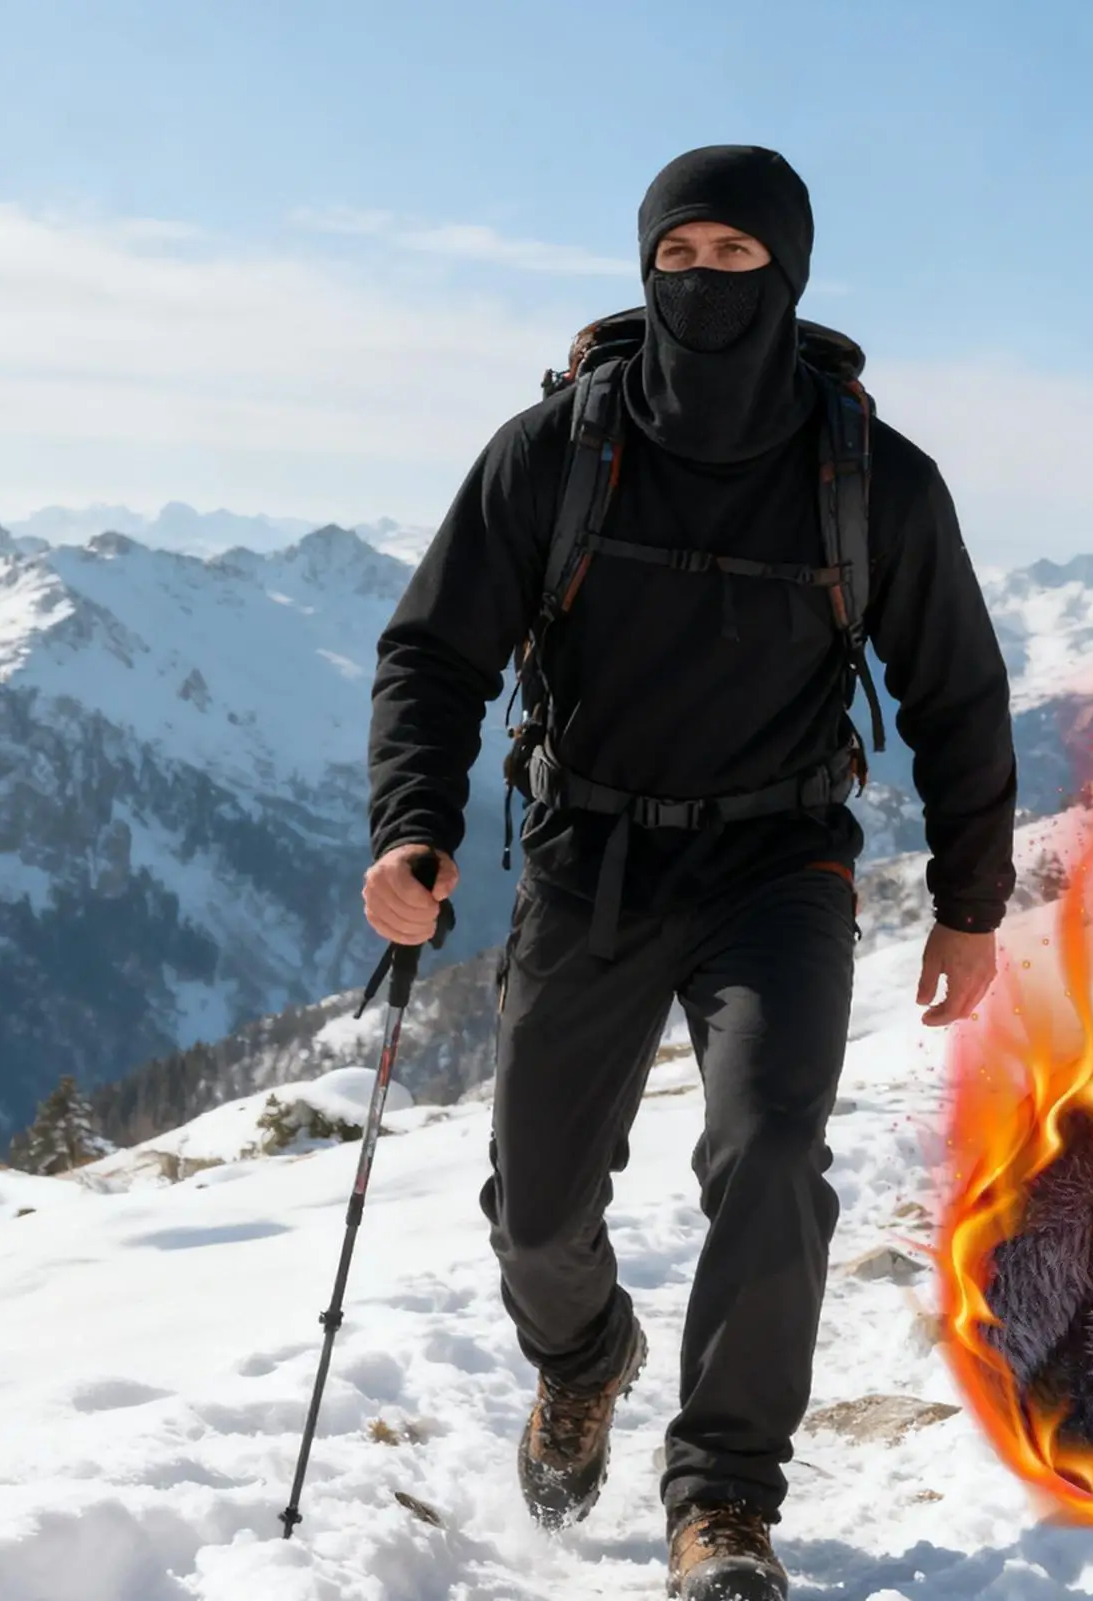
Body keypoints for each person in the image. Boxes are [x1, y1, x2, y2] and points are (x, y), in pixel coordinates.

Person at [364, 145, 1016, 1601]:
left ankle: (723, 1501)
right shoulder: (557, 453)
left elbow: (959, 693)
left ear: (788, 273)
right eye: (682, 254)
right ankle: (583, 1354)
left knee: (772, 1153)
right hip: (586, 857)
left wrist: (971, 905)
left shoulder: (872, 479)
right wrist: (411, 828)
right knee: (535, 1212)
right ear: (644, 260)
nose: (706, 283)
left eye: (738, 258)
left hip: (780, 868)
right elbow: (435, 654)